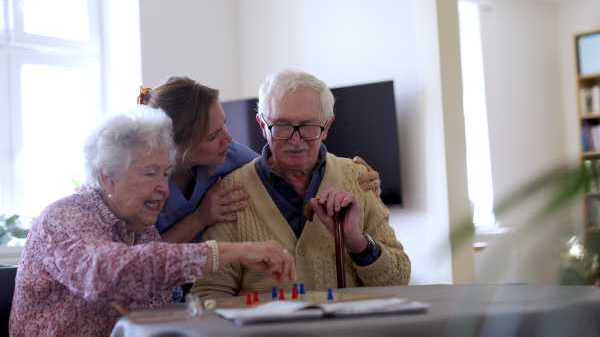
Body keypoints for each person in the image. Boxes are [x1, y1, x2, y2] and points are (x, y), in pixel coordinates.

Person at [8, 106, 296, 336]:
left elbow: (155, 312)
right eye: (150, 174)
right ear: (108, 176)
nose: (163, 187)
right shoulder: (64, 217)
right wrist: (233, 252)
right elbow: (107, 273)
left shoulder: (142, 231)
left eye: (166, 173)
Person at [191, 69, 410, 299]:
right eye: (282, 126)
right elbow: (210, 293)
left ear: (327, 126)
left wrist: (358, 243)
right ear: (262, 125)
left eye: (308, 126)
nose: (296, 141)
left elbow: (398, 280)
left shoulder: (359, 179)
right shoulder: (232, 192)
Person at [141, 76, 383, 245]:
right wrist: (200, 218)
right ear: (175, 147)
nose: (228, 138)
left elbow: (277, 176)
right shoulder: (135, 181)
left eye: (224, 124)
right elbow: (136, 260)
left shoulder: (231, 155)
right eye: (213, 136)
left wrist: (353, 177)